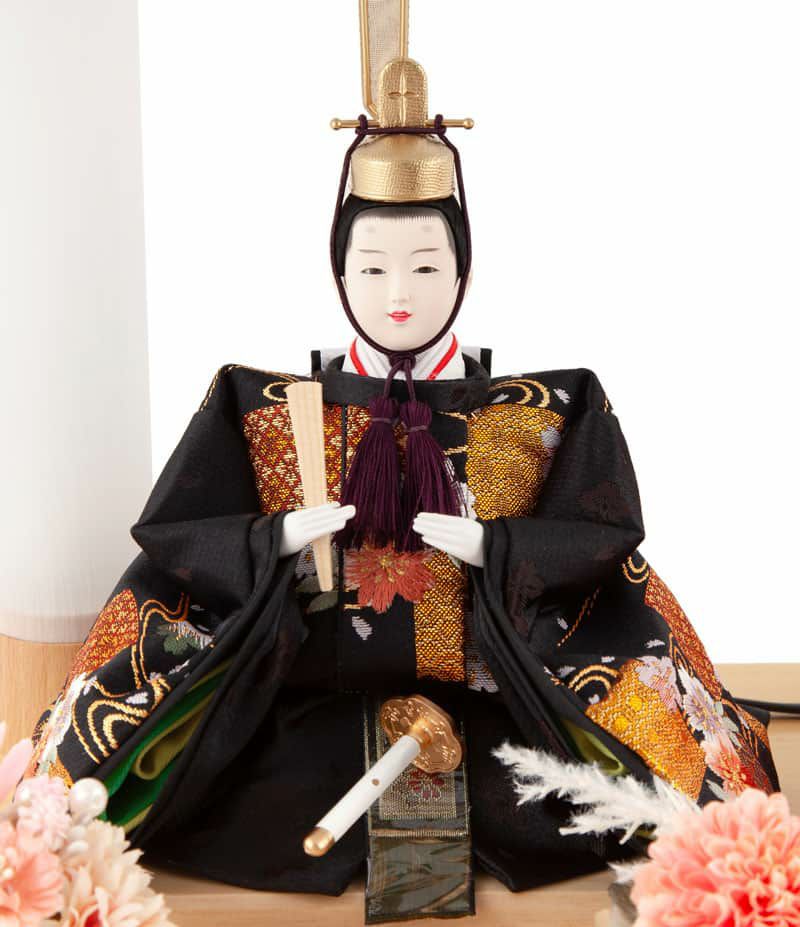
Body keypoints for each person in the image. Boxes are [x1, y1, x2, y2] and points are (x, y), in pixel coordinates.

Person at [22, 20, 787, 926]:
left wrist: (501, 549)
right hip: (306, 699)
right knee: (236, 800)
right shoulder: (263, 405)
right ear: (337, 269)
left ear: (463, 268)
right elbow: (177, 535)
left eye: (427, 264)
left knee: (587, 800)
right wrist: (274, 540)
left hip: (497, 700)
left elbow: (603, 535)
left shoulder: (542, 408)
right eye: (373, 264)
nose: (399, 292)